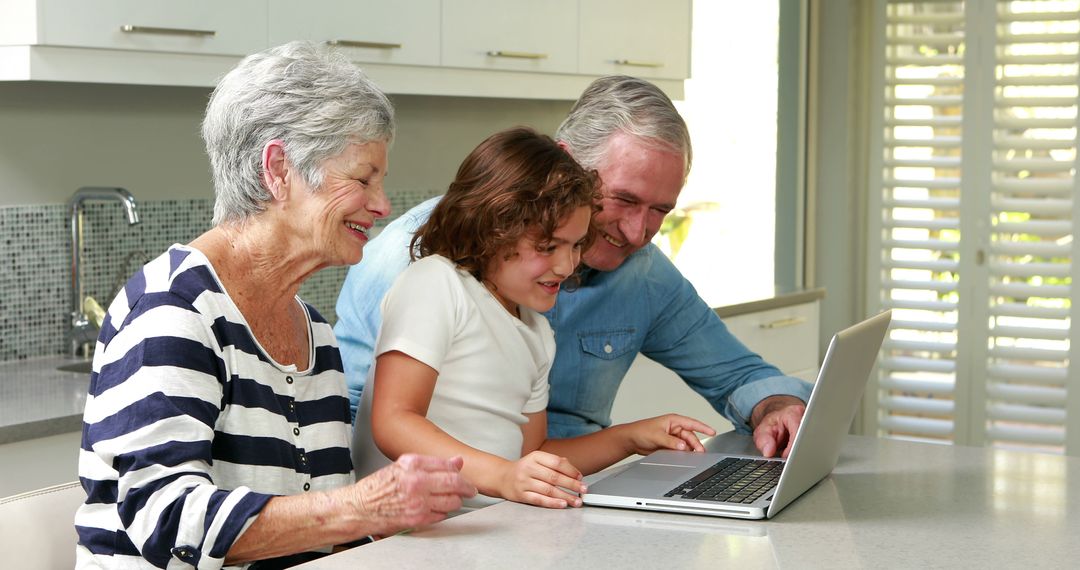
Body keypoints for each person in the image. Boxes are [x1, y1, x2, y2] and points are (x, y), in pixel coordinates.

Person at [74, 41, 475, 569]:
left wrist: (395, 521)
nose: (382, 205)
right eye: (362, 178)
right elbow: (170, 522)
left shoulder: (314, 335)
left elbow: (321, 535)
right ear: (279, 169)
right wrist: (366, 507)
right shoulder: (173, 311)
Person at [336, 75, 813, 460]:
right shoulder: (417, 261)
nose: (636, 232)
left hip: (551, 494)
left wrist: (779, 407)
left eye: (660, 211)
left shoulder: (638, 276)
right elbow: (366, 423)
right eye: (624, 199)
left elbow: (736, 374)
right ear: (565, 167)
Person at [352, 127, 716, 510]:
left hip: (488, 528)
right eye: (547, 246)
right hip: (406, 537)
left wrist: (631, 438)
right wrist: (503, 477)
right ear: (490, 229)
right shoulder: (436, 284)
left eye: (576, 245)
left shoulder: (536, 330)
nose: (566, 264)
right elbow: (394, 421)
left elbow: (535, 452)